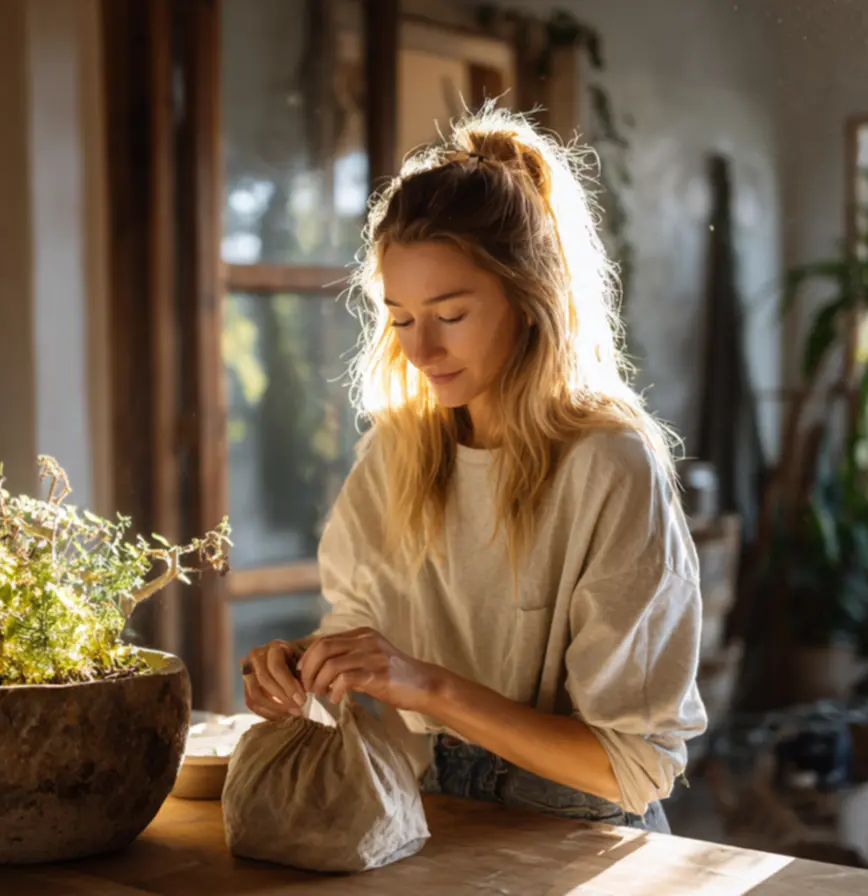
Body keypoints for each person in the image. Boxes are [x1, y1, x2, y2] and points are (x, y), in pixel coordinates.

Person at [239, 105, 706, 833]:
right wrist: (305, 665)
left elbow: (630, 769)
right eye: (399, 319)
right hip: (429, 815)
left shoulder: (608, 467)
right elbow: (364, 628)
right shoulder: (398, 452)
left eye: (450, 315)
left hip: (585, 835)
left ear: (529, 300)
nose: (420, 350)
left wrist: (425, 685)